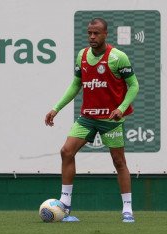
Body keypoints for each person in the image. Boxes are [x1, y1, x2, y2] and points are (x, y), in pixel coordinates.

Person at [44, 18, 139, 223]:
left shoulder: (117, 57)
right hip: (87, 116)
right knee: (66, 151)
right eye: (89, 33)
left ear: (105, 34)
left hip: (110, 119)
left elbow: (133, 86)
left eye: (96, 33)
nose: (92, 37)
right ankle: (65, 206)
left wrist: (121, 109)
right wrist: (56, 108)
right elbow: (76, 84)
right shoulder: (83, 55)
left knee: (119, 162)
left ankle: (128, 209)